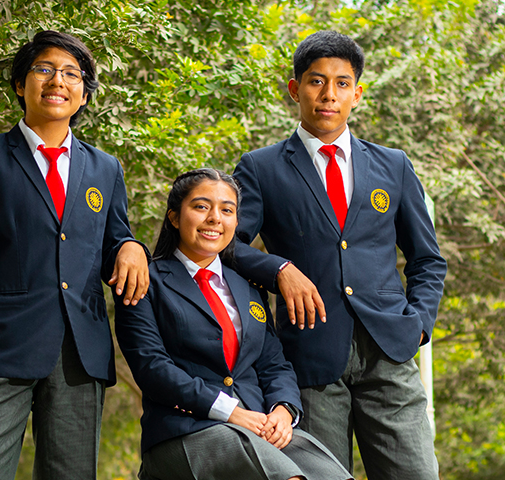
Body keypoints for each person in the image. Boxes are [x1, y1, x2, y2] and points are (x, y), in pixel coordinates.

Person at [229, 31, 448, 479]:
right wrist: (280, 269)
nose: (329, 95)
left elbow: (427, 258)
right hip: (309, 357)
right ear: (295, 89)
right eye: (316, 81)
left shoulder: (394, 165)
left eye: (342, 83)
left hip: (388, 351)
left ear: (357, 94)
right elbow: (223, 247)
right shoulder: (260, 168)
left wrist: (419, 326)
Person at [0, 31, 150, 480]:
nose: (58, 82)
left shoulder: (106, 169)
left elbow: (115, 238)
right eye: (45, 70)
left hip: (81, 355)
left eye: (72, 74)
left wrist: (132, 246)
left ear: (84, 94)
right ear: (20, 84)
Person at [115, 168, 352, 480]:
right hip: (187, 430)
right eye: (201, 207)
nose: (215, 218)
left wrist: (284, 410)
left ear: (237, 222)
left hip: (259, 427)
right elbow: (152, 368)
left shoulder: (246, 285)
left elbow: (273, 363)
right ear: (174, 217)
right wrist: (231, 412)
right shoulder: (147, 281)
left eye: (227, 210)